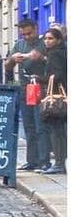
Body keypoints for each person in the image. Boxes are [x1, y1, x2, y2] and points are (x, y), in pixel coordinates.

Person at [7, 20, 48, 170]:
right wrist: (13, 59)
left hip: (42, 88)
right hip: (26, 89)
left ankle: (44, 161)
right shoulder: (19, 45)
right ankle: (32, 161)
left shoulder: (44, 43)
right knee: (29, 126)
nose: (26, 37)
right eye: (23, 34)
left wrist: (41, 58)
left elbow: (58, 63)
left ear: (36, 29)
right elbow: (7, 65)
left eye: (29, 33)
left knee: (41, 126)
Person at [42, 25, 67, 175]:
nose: (47, 41)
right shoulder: (61, 52)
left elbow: (56, 75)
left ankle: (59, 163)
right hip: (61, 95)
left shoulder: (55, 54)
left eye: (50, 38)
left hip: (57, 97)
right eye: (45, 38)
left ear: (58, 40)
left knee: (57, 131)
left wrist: (41, 79)